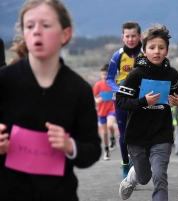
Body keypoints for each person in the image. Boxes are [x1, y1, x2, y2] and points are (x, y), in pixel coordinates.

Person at [0, 0, 101, 200]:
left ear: (65, 34)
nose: (37, 31)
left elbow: (92, 148)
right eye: (29, 26)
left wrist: (70, 145)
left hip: (59, 194)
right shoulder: (4, 81)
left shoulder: (78, 90)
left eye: (46, 25)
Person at [117, 23, 178, 201]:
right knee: (144, 177)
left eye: (161, 48)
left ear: (167, 51)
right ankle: (133, 177)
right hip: (137, 134)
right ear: (144, 51)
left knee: (160, 175)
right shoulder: (136, 75)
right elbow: (120, 101)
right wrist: (143, 101)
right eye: (152, 48)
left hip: (161, 133)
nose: (157, 52)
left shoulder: (172, 74)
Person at [106, 21, 143, 178]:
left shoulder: (145, 53)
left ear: (139, 36)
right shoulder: (118, 55)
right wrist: (119, 89)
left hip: (140, 100)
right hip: (121, 100)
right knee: (123, 134)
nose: (130, 39)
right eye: (127, 36)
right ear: (123, 37)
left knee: (138, 133)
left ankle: (136, 164)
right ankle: (125, 164)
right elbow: (109, 78)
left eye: (133, 36)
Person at [93, 63, 116, 161]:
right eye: (102, 74)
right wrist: (96, 100)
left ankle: (112, 138)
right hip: (102, 110)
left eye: (106, 74)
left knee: (110, 125)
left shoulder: (113, 84)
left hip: (111, 109)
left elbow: (117, 95)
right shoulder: (98, 85)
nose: (104, 76)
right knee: (104, 132)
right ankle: (106, 150)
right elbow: (94, 95)